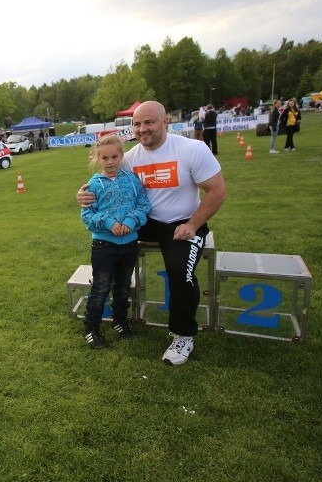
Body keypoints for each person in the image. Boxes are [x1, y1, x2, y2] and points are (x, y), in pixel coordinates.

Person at [77, 101, 226, 365]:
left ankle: (183, 335)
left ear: (165, 121)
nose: (142, 129)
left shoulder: (191, 149)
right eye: (137, 124)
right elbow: (105, 182)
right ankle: (103, 289)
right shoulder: (130, 158)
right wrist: (84, 194)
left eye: (149, 122)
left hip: (180, 222)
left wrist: (192, 225)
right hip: (144, 221)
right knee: (109, 259)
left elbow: (217, 191)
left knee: (180, 272)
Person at [80, 135, 152, 349]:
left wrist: (131, 221)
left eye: (114, 156)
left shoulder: (131, 179)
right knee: (101, 287)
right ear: (97, 159)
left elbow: (144, 204)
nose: (110, 162)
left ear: (122, 156)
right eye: (105, 158)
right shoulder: (93, 184)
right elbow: (87, 216)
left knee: (122, 287)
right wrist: (109, 223)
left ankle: (120, 320)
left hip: (129, 245)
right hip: (104, 247)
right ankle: (91, 327)